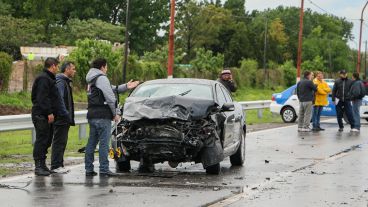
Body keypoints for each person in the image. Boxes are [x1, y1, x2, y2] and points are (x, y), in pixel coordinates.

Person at [85, 58, 139, 177]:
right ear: (103, 67)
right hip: (102, 115)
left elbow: (111, 88)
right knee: (104, 144)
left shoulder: (91, 78)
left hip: (92, 114)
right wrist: (116, 113)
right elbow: (110, 97)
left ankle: (89, 169)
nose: (107, 69)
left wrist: (126, 86)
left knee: (91, 143)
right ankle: (104, 170)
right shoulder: (102, 78)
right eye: (106, 67)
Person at [31, 57, 61, 176]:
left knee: (47, 140)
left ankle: (43, 165)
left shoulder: (48, 78)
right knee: (42, 140)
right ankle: (38, 166)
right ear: (53, 65)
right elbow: (42, 98)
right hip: (41, 115)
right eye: (57, 66)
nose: (57, 68)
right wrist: (48, 112)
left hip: (46, 114)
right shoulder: (44, 78)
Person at [52, 62, 76, 173]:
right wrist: (65, 113)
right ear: (67, 69)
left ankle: (59, 165)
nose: (74, 71)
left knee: (62, 141)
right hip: (61, 117)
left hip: (64, 117)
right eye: (73, 69)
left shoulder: (65, 81)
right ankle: (56, 166)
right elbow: (59, 98)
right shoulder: (61, 81)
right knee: (59, 142)